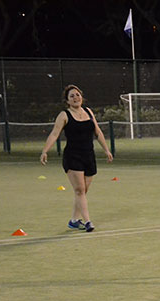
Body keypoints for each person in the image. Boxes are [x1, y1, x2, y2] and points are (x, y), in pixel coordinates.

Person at [40, 85, 113, 232]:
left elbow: (97, 132)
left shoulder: (88, 112)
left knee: (83, 191)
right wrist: (45, 151)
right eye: (72, 96)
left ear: (82, 97)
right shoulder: (64, 115)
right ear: (67, 100)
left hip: (89, 155)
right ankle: (87, 222)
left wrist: (106, 150)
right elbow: (54, 134)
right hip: (73, 156)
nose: (75, 98)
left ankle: (74, 220)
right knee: (79, 190)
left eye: (77, 95)